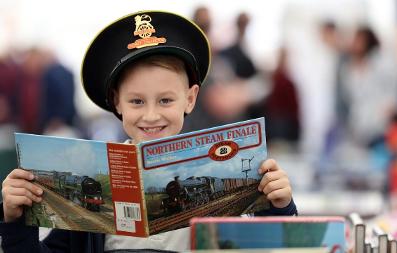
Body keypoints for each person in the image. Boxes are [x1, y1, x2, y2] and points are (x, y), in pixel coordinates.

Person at [0, 10, 297, 253]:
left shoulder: (225, 173)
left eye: (165, 100)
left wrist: (279, 207)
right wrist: (14, 220)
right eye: (137, 101)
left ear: (190, 99)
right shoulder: (90, 176)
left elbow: (276, 246)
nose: (151, 115)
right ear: (118, 102)